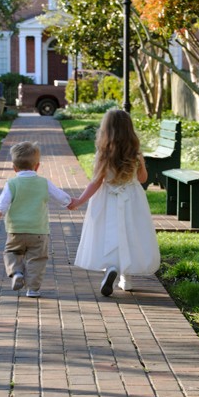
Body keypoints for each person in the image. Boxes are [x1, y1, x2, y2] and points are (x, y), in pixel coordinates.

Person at [68, 109, 160, 296]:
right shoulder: (136, 154)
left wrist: (79, 201)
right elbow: (142, 179)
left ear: (106, 130)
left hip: (107, 198)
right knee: (130, 234)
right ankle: (127, 279)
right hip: (132, 199)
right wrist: (140, 164)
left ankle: (111, 267)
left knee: (110, 233)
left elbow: (95, 182)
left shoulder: (102, 155)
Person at [0, 141, 71, 298]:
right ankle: (33, 289)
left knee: (11, 252)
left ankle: (16, 272)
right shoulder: (43, 183)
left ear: (14, 167)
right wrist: (70, 203)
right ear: (37, 166)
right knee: (37, 260)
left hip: (15, 231)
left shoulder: (12, 183)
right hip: (39, 231)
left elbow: (2, 205)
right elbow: (61, 197)